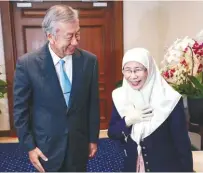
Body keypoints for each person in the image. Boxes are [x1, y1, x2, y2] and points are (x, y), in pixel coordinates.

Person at [13, 5, 100, 172]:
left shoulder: (89, 61)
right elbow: (20, 110)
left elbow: (92, 104)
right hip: (46, 147)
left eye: (77, 34)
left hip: (79, 144)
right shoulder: (27, 64)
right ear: (50, 36)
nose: (75, 41)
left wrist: (92, 139)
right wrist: (30, 147)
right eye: (69, 36)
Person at [108, 48, 193, 172]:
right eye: (127, 70)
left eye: (137, 70)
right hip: (133, 166)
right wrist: (128, 120)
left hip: (165, 167)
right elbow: (113, 132)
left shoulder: (170, 99)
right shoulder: (120, 96)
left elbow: (182, 143)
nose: (132, 76)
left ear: (149, 70)